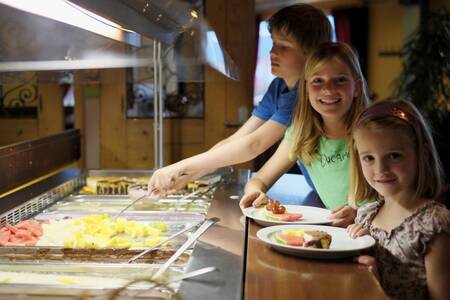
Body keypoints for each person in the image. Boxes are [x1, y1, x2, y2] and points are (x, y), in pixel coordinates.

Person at [147, 4, 332, 196]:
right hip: (321, 190)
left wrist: (182, 166)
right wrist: (188, 174)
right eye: (273, 43)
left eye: (284, 46)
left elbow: (255, 144)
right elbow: (238, 138)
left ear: (312, 55)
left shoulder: (305, 93)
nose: (272, 52)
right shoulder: (278, 87)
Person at [240, 42, 370, 227]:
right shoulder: (300, 134)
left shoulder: (373, 132)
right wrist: (255, 193)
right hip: (342, 238)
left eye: (340, 80)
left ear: (356, 87)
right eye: (318, 80)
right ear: (306, 88)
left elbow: (401, 199)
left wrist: (361, 215)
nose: (328, 89)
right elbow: (259, 180)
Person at [347, 100, 450, 300]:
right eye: (369, 158)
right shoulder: (365, 215)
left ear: (421, 154)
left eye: (394, 156)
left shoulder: (435, 224)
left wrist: (373, 285)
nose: (381, 169)